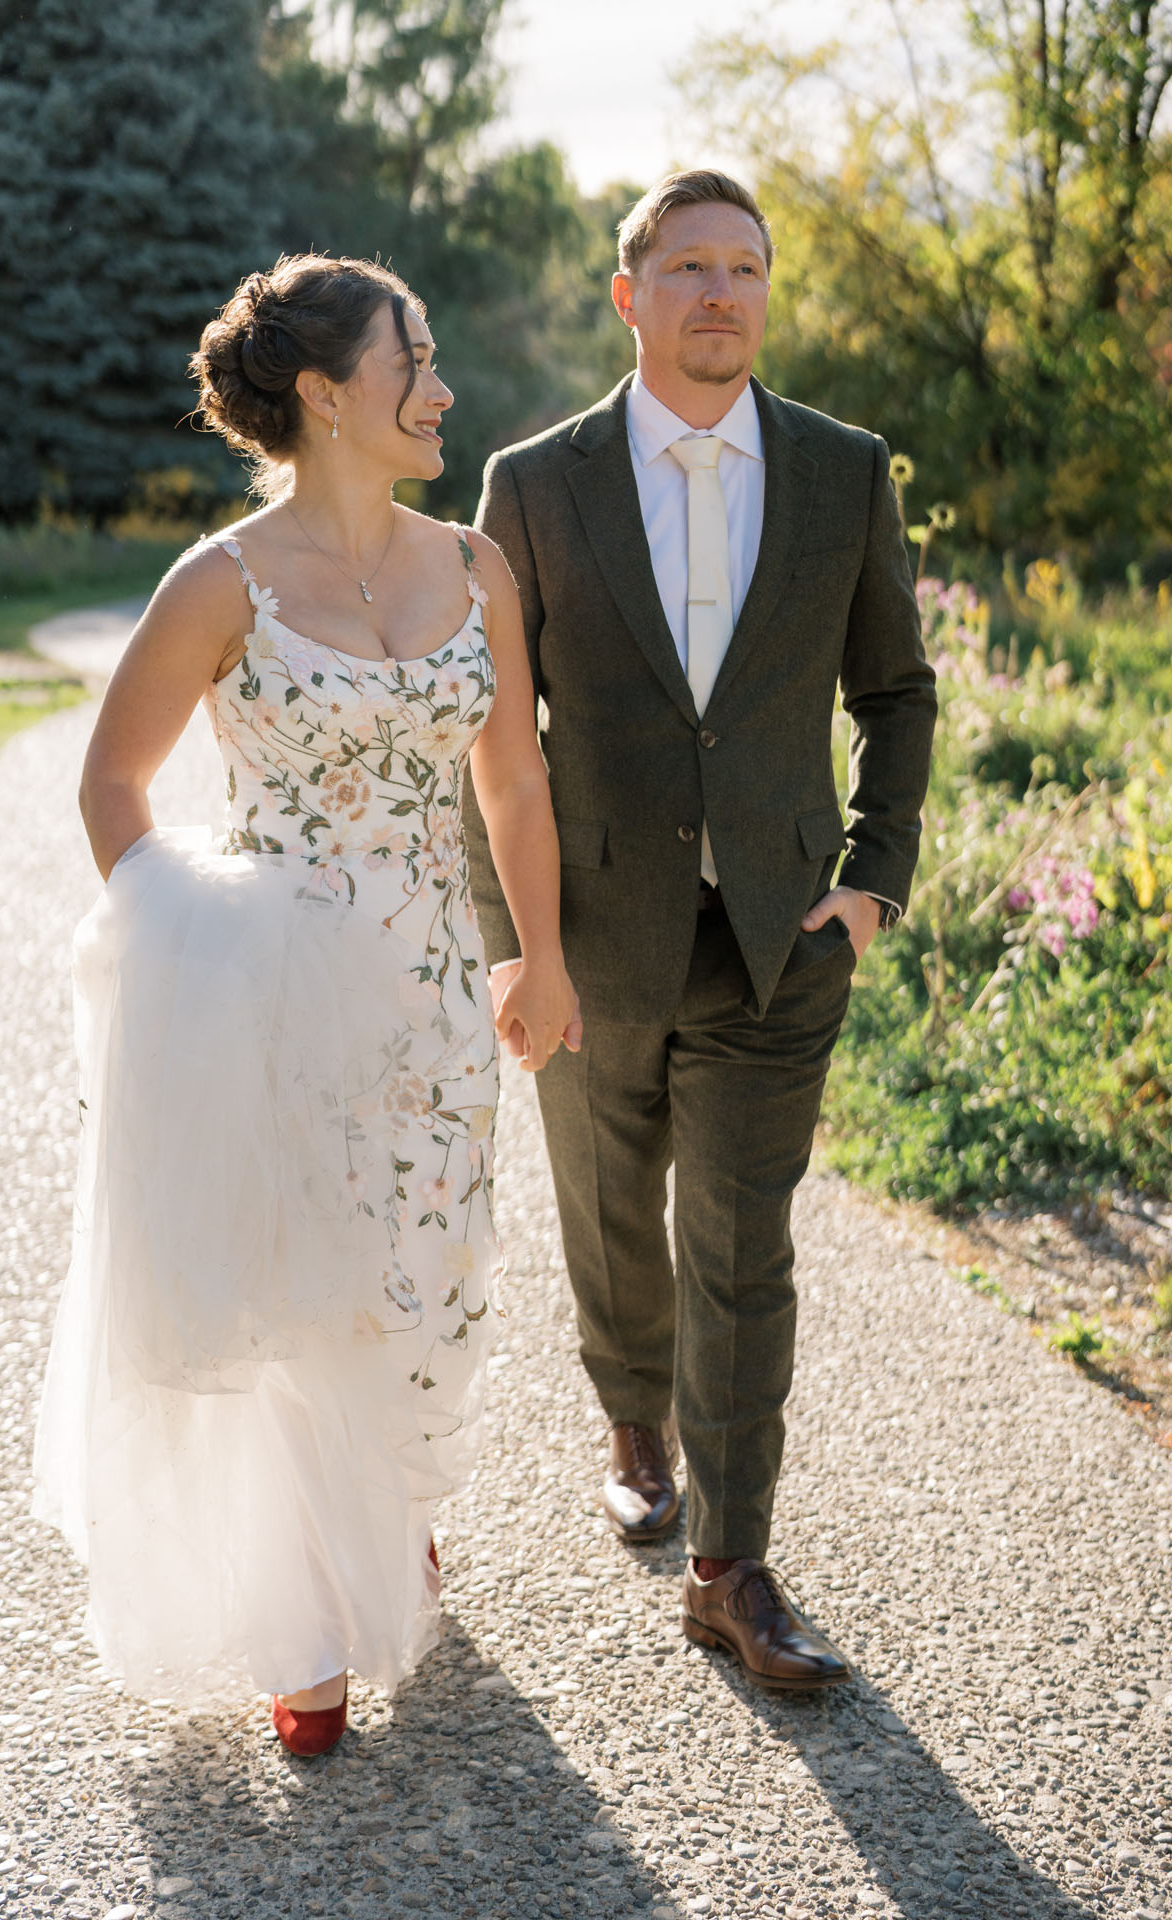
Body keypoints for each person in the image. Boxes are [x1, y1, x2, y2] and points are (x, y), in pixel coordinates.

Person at [32, 254, 579, 1754]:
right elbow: (112, 784)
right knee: (300, 1293)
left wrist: (540, 953)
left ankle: (386, 1515)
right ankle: (309, 1624)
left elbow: (513, 781)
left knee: (427, 1278)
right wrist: (188, 951)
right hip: (274, 997)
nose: (444, 390)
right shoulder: (222, 585)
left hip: (437, 1001)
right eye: (417, 362)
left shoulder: (477, 569)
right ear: (330, 394)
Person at [463, 171, 937, 1690]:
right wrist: (516, 945)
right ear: (631, 295)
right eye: (687, 266)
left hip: (782, 939)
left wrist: (874, 879)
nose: (720, 290)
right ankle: (631, 1421)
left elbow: (896, 691)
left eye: (744, 266)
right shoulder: (534, 486)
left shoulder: (844, 471)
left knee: (742, 1247)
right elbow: (492, 737)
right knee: (612, 1209)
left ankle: (731, 1569)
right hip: (589, 934)